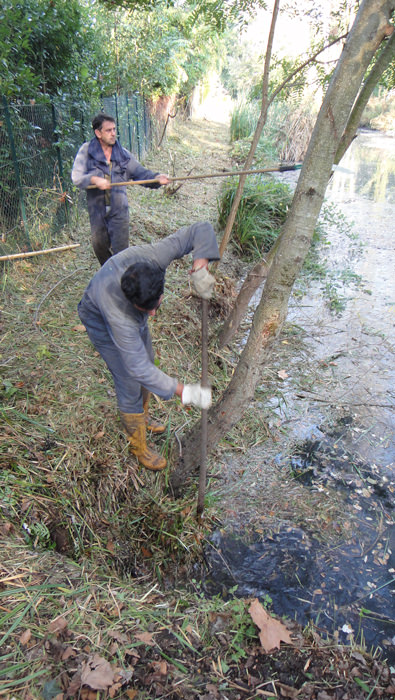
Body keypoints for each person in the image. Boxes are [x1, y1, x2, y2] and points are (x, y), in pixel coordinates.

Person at [78, 220, 219, 471]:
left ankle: (143, 417)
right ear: (133, 303)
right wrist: (186, 392)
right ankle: (138, 446)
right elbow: (139, 368)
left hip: (128, 312)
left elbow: (200, 228)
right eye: (147, 310)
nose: (153, 315)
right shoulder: (120, 316)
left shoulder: (155, 256)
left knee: (148, 355)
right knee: (129, 379)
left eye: (156, 306)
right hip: (97, 317)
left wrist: (201, 265)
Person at [71, 112, 170, 265]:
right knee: (99, 246)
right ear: (98, 133)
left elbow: (140, 173)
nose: (113, 134)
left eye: (114, 129)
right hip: (97, 210)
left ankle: (119, 279)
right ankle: (109, 270)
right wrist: (93, 179)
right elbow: (76, 178)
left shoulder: (122, 154)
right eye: (108, 130)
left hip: (119, 210)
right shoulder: (86, 151)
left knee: (122, 252)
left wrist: (157, 178)